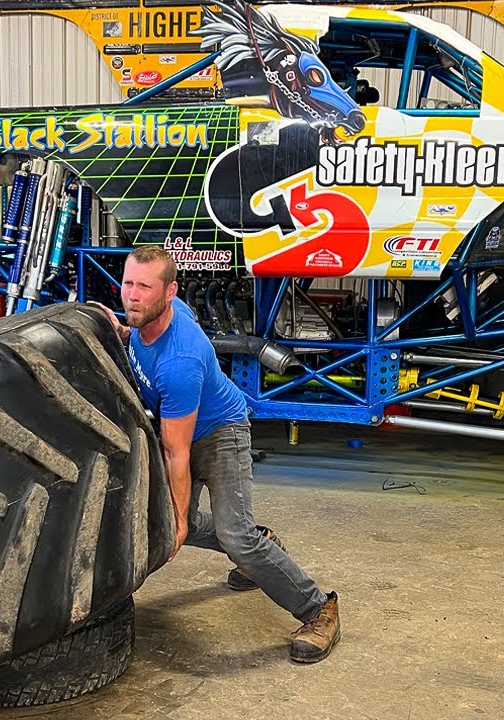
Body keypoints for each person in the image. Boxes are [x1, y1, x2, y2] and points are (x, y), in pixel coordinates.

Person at [93, 246, 341, 664]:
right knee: (177, 517)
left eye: (144, 287)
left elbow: (176, 452)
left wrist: (179, 525)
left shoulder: (181, 360)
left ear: (169, 292)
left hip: (222, 432)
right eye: (128, 283)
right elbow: (138, 344)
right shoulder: (149, 318)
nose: (132, 296)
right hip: (184, 429)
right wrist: (119, 331)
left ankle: (319, 609)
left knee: (229, 534)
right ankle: (261, 545)